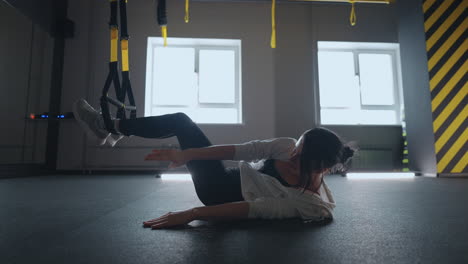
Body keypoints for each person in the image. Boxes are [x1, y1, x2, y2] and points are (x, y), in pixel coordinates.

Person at [73, 98, 355, 229]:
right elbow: (241, 150)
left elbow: (259, 209)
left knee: (180, 123)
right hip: (229, 174)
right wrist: (187, 155)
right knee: (183, 121)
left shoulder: (312, 204)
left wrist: (193, 213)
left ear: (321, 169)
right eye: (297, 148)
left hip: (217, 191)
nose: (292, 155)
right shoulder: (287, 146)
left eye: (299, 159)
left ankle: (104, 125)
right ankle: (109, 127)